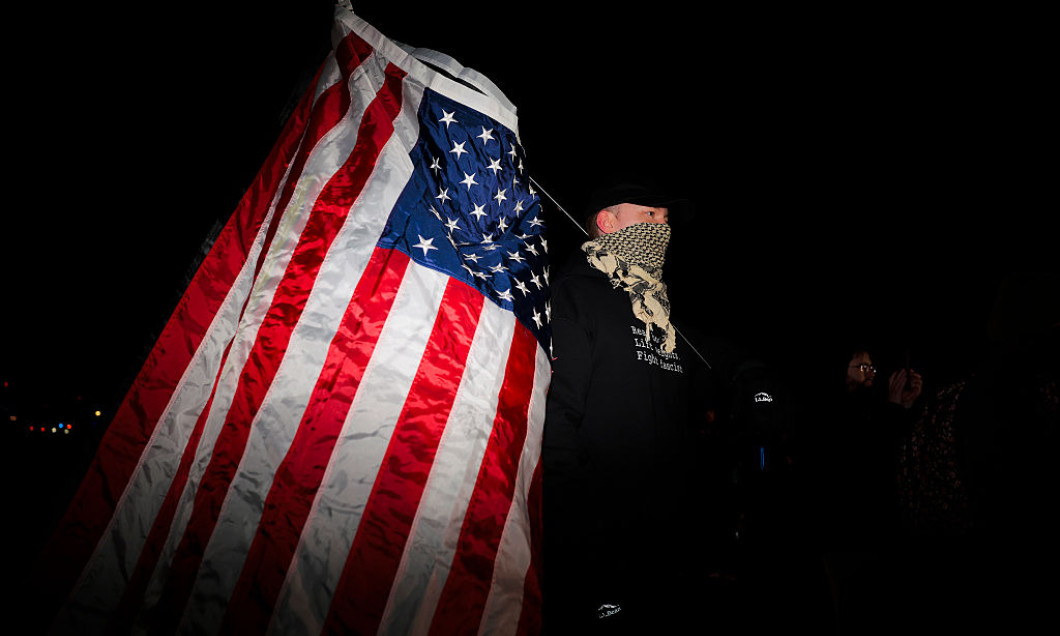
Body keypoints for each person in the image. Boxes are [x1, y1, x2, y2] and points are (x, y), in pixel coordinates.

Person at [541, 182, 713, 633]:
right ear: (607, 222)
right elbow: (557, 417)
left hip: (671, 541)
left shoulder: (661, 310)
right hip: (599, 540)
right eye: (650, 215)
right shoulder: (572, 296)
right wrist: (575, 530)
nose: (664, 226)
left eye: (666, 218)